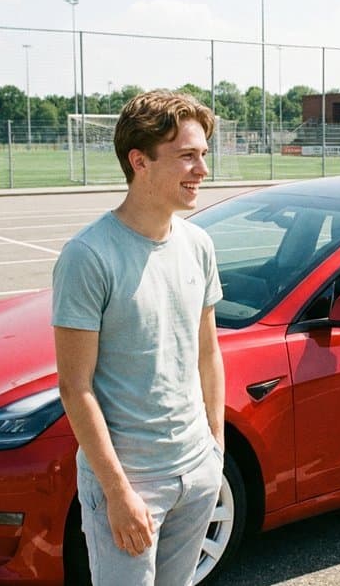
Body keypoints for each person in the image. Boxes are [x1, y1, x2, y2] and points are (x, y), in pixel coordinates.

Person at [52, 90, 225, 585]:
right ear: (139, 161)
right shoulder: (88, 256)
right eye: (187, 156)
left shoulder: (198, 245)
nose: (202, 170)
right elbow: (75, 387)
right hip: (131, 483)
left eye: (203, 155)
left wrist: (215, 451)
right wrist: (117, 491)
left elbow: (208, 353)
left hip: (196, 471)